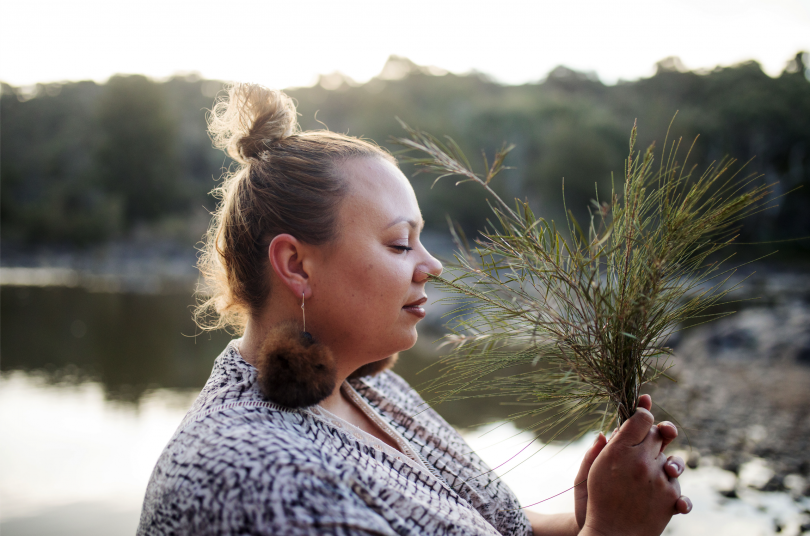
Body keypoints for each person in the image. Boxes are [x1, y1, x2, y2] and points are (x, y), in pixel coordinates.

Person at [138, 84, 691, 536]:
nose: (432, 266)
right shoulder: (256, 482)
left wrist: (584, 518)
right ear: (296, 265)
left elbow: (492, 526)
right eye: (401, 243)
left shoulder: (364, 385)